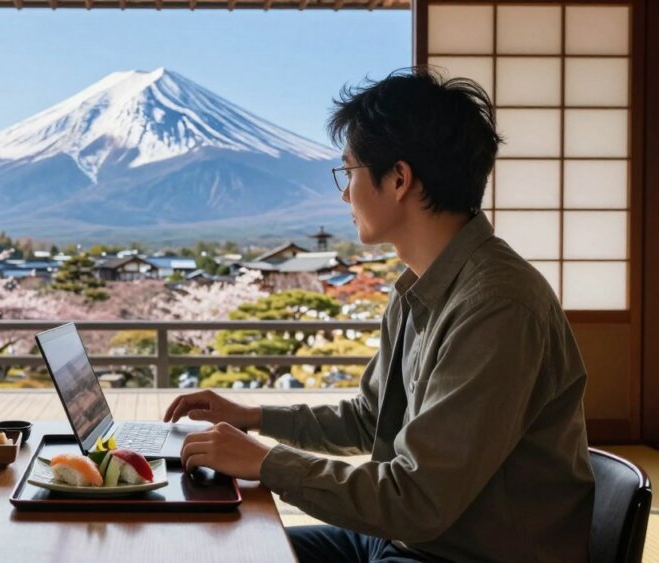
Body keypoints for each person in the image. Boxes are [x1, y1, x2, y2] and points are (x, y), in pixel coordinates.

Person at [163, 67, 594, 563]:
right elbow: (371, 418)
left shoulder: (498, 307)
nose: (344, 194)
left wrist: (266, 463)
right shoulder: (419, 286)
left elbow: (417, 498)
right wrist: (254, 417)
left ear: (399, 178)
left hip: (462, 554)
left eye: (348, 172)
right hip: (405, 536)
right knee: (227, 550)